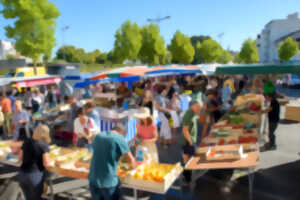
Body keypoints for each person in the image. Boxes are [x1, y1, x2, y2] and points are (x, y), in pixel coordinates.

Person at [89, 124, 136, 200]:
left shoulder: (98, 135)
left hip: (93, 179)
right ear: (122, 133)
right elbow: (131, 159)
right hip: (108, 181)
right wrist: (134, 172)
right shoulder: (119, 138)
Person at [14, 124, 51, 200]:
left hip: (22, 174)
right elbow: (46, 163)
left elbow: (20, 158)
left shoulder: (26, 142)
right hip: (34, 176)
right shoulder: (43, 145)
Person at [181, 100, 202, 184]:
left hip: (190, 140)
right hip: (188, 141)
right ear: (192, 106)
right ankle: (187, 178)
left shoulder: (193, 113)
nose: (199, 109)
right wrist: (190, 142)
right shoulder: (188, 115)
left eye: (199, 107)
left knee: (188, 159)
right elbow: (185, 130)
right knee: (190, 159)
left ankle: (186, 177)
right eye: (197, 107)